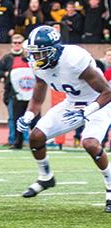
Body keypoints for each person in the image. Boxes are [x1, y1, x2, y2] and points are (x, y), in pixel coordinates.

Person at [17, 25, 111, 213]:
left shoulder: (74, 59)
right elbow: (37, 98)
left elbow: (107, 92)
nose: (36, 58)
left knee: (90, 144)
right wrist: (27, 116)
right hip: (72, 103)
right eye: (34, 54)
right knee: (36, 136)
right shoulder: (39, 66)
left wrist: (87, 111)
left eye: (41, 53)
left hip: (98, 103)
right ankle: (45, 177)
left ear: (53, 51)